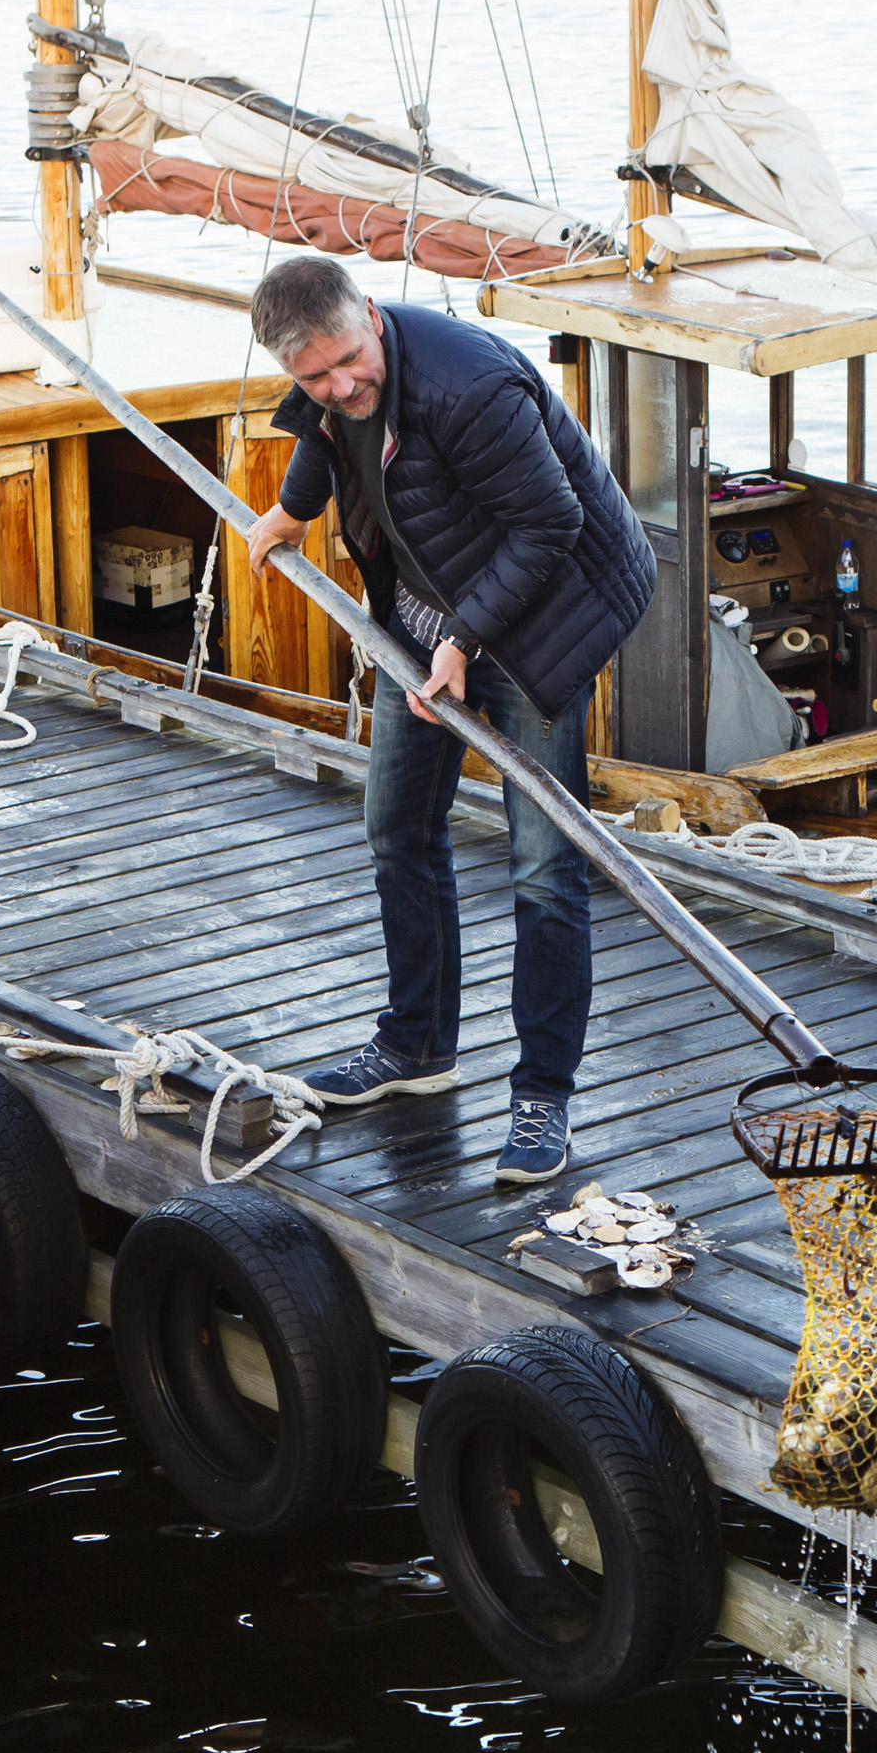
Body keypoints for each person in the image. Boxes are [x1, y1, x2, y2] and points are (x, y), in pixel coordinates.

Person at [239, 255, 650, 1187]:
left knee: (544, 867)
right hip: (426, 619)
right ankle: (417, 1047)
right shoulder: (332, 391)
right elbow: (326, 431)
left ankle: (543, 1094)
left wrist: (464, 645)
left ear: (372, 318)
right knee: (396, 827)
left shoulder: (471, 387)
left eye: (350, 361)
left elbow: (553, 523)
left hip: (545, 616)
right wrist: (292, 511)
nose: (342, 385)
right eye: (315, 377)